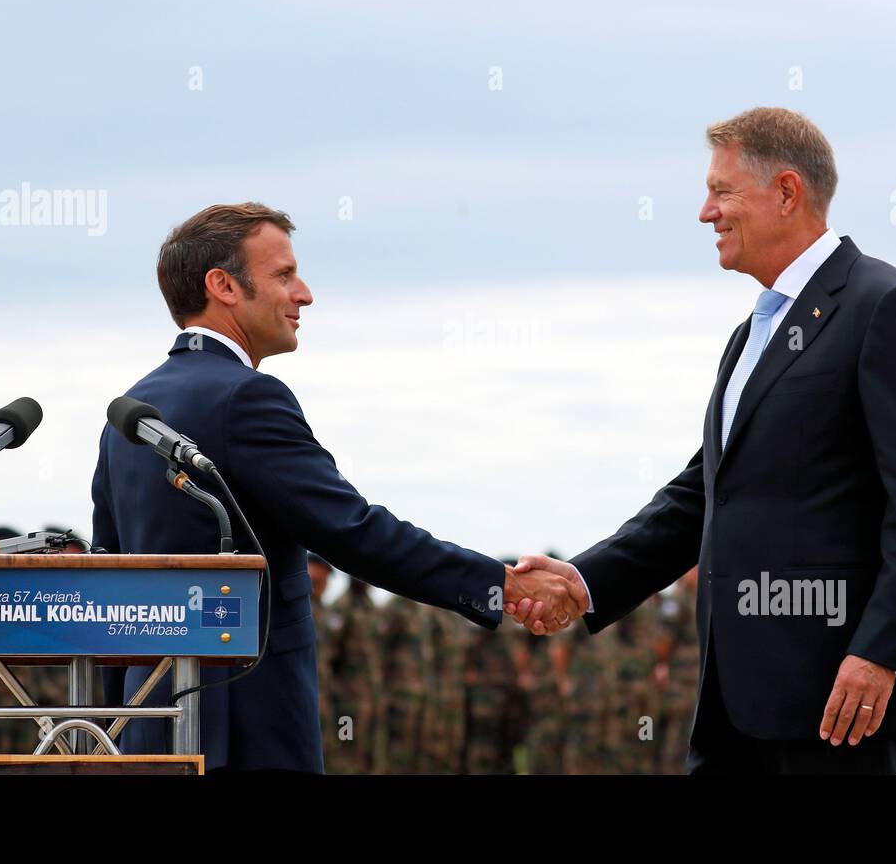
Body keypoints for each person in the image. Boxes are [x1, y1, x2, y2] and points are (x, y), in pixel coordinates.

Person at [511, 107, 896, 774]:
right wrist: (587, 579)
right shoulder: (750, 333)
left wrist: (881, 651)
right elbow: (707, 494)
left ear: (787, 192)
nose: (706, 212)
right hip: (733, 704)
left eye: (721, 192)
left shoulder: (884, 306)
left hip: (836, 703)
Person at [90, 202, 585, 772]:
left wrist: (117, 729)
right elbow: (354, 532)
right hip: (249, 730)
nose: (304, 294)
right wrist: (496, 584)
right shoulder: (246, 399)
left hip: (148, 729)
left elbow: (108, 583)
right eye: (283, 275)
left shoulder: (129, 416)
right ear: (223, 285)